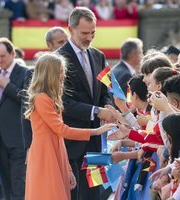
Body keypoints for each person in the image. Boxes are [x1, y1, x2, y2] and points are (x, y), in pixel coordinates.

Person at [24, 53, 116, 200]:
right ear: (50, 73)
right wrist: (96, 131)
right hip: (45, 154)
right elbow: (62, 130)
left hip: (56, 151)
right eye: (60, 72)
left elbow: (59, 136)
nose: (63, 76)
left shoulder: (51, 98)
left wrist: (68, 169)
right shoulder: (41, 99)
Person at [57, 7, 114, 200]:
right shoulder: (58, 59)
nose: (89, 37)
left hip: (96, 143)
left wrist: (107, 105)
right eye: (84, 33)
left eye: (93, 33)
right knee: (72, 194)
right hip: (71, 142)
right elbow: (63, 102)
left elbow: (106, 92)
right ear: (70, 29)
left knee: (94, 195)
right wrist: (96, 112)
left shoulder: (98, 56)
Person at [0, 37, 27, 200]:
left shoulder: (25, 72)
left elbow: (27, 99)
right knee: (5, 183)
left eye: (2, 56)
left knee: (18, 184)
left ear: (12, 54)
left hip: (18, 139)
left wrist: (8, 86)